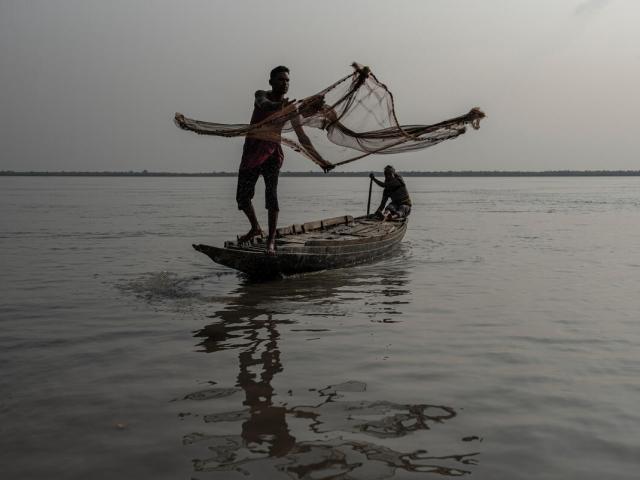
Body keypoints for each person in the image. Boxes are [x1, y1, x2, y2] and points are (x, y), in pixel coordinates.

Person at [234, 66, 326, 255]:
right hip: (252, 152)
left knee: (271, 195)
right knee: (242, 198)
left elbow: (302, 137)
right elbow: (265, 104)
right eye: (280, 80)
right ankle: (255, 228)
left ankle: (271, 239)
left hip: (272, 154)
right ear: (271, 82)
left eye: (287, 80)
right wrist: (280, 106)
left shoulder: (290, 108)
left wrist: (320, 160)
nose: (284, 83)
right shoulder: (261, 95)